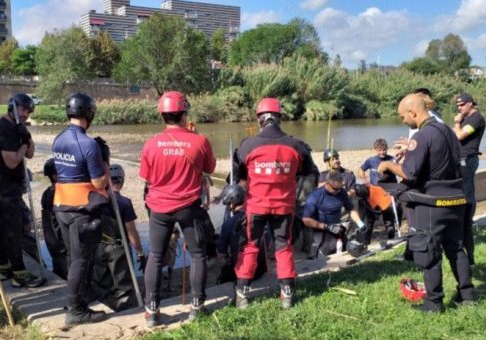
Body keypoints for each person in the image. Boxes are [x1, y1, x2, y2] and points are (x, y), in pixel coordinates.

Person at [378, 93, 474, 312]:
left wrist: (388, 166)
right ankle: (467, 296)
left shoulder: (422, 136)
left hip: (432, 204)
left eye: (403, 116)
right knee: (457, 249)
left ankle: (433, 302)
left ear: (413, 112)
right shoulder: (448, 131)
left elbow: (409, 173)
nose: (403, 120)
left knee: (428, 252)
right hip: (456, 199)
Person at [140, 91, 216, 327]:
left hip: (159, 208)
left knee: (155, 255)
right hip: (189, 207)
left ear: (163, 115)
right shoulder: (200, 140)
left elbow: (147, 177)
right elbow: (210, 168)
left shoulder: (151, 144)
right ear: (184, 114)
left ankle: (152, 310)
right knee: (197, 254)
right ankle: (197, 306)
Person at [233, 97, 317, 309]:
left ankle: (242, 293)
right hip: (284, 207)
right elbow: (311, 174)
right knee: (284, 247)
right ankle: (286, 294)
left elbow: (239, 176)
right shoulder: (296, 145)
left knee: (251, 245)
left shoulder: (247, 145)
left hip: (256, 207)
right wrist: (299, 198)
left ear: (260, 119)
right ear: (279, 118)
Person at [53, 92, 111, 326]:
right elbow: (98, 183)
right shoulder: (88, 144)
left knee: (73, 258)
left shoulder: (59, 138)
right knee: (81, 260)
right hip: (81, 210)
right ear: (88, 113)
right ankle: (76, 310)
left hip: (61, 206)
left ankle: (76, 299)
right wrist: (105, 165)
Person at [0, 93, 45, 288]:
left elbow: (31, 153)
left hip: (6, 184)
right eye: (22, 109)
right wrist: (24, 142)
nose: (25, 114)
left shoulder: (16, 128)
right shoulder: (4, 129)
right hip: (1, 185)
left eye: (28, 111)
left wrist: (25, 134)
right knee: (12, 228)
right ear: (12, 107)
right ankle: (19, 273)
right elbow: (11, 162)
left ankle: (4, 267)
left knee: (2, 226)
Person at [90, 163, 145, 312]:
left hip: (99, 244)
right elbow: (131, 232)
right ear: (122, 180)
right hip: (118, 246)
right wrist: (140, 252)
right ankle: (124, 307)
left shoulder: (94, 198)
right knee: (123, 283)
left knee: (101, 280)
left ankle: (104, 305)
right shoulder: (124, 202)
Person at [452, 93, 486, 266]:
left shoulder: (476, 118)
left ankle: (467, 218)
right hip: (461, 159)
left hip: (468, 160)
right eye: (457, 105)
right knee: (462, 190)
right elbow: (452, 136)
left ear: (471, 103)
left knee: (467, 191)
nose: (459, 107)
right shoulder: (467, 117)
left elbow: (459, 136)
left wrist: (457, 122)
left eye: (462, 104)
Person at [302, 171, 367, 258]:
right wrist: (327, 227)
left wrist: (360, 223)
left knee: (346, 255)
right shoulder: (315, 196)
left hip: (337, 231)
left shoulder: (341, 192)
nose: (338, 191)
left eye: (340, 188)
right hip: (321, 233)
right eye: (336, 189)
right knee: (324, 258)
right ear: (327, 184)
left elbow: (351, 209)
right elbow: (306, 219)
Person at [357, 139, 400, 245]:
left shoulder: (392, 159)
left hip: (388, 191)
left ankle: (392, 238)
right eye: (379, 150)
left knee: (389, 218)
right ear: (375, 150)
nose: (382, 152)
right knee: (370, 219)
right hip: (374, 192)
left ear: (387, 149)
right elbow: (361, 170)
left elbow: (400, 169)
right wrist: (365, 181)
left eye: (384, 150)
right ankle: (365, 242)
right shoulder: (371, 161)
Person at [40, 158, 68, 279]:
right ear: (55, 176)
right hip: (60, 239)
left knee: (58, 266)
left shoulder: (46, 193)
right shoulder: (60, 194)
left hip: (51, 239)